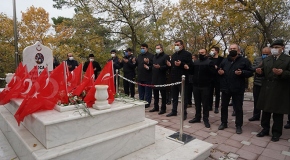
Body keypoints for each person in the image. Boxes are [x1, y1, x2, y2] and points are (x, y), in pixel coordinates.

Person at [255, 39, 290, 142]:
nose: (274, 49)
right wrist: (259, 72)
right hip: (267, 89)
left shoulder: (287, 59)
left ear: (282, 48)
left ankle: (276, 132)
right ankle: (265, 129)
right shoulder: (267, 59)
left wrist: (282, 73)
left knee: (278, 113)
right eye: (273, 48)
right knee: (265, 111)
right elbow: (261, 72)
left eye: (277, 47)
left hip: (280, 89)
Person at [218, 44, 253, 134]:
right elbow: (219, 69)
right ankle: (223, 123)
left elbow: (250, 72)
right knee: (224, 107)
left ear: (238, 51)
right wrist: (219, 72)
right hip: (225, 88)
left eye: (234, 49)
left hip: (238, 88)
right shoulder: (225, 60)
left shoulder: (244, 61)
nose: (232, 50)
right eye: (231, 49)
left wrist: (242, 72)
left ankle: (238, 125)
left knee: (238, 108)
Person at [188, 49, 216, 128]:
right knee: (197, 103)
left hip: (206, 86)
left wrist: (208, 82)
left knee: (205, 104)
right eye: (199, 53)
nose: (201, 54)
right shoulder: (196, 62)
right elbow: (192, 72)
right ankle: (197, 117)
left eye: (202, 53)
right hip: (196, 86)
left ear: (206, 53)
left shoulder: (209, 62)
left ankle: (205, 119)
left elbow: (213, 74)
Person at [166, 40, 192, 120]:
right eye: (175, 45)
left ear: (182, 45)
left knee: (183, 97)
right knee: (174, 96)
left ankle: (184, 113)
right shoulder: (173, 55)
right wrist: (169, 65)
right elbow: (172, 67)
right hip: (174, 79)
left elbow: (190, 66)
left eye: (178, 45)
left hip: (183, 79)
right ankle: (174, 111)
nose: (176, 46)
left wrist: (181, 64)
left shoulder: (187, 54)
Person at [248, 47, 271, 121]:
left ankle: (265, 118)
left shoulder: (272, 60)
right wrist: (260, 66)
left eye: (267, 54)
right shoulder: (258, 59)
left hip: (267, 84)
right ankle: (256, 115)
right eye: (263, 54)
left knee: (266, 102)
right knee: (256, 100)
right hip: (257, 83)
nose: (265, 55)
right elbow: (252, 68)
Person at [149, 44, 170, 114]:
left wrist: (160, 67)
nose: (157, 49)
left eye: (158, 48)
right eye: (156, 48)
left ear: (162, 49)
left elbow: (167, 66)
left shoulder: (165, 56)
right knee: (155, 94)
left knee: (163, 94)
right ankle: (156, 107)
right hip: (154, 77)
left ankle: (163, 108)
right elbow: (152, 65)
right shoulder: (154, 56)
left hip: (162, 77)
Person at [135, 43, 154, 108]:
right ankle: (141, 101)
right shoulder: (139, 56)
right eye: (141, 48)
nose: (142, 49)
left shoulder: (151, 55)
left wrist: (148, 63)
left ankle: (147, 102)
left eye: (143, 48)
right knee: (141, 90)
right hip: (140, 76)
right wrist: (134, 62)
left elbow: (153, 65)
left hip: (147, 76)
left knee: (148, 91)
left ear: (147, 48)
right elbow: (137, 64)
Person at [209, 46, 224, 113]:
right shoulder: (209, 59)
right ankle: (210, 106)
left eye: (213, 50)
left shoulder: (221, 59)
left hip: (218, 78)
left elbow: (223, 67)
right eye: (211, 50)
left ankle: (216, 107)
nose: (211, 51)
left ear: (217, 51)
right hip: (210, 78)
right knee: (210, 92)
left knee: (217, 93)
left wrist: (217, 68)